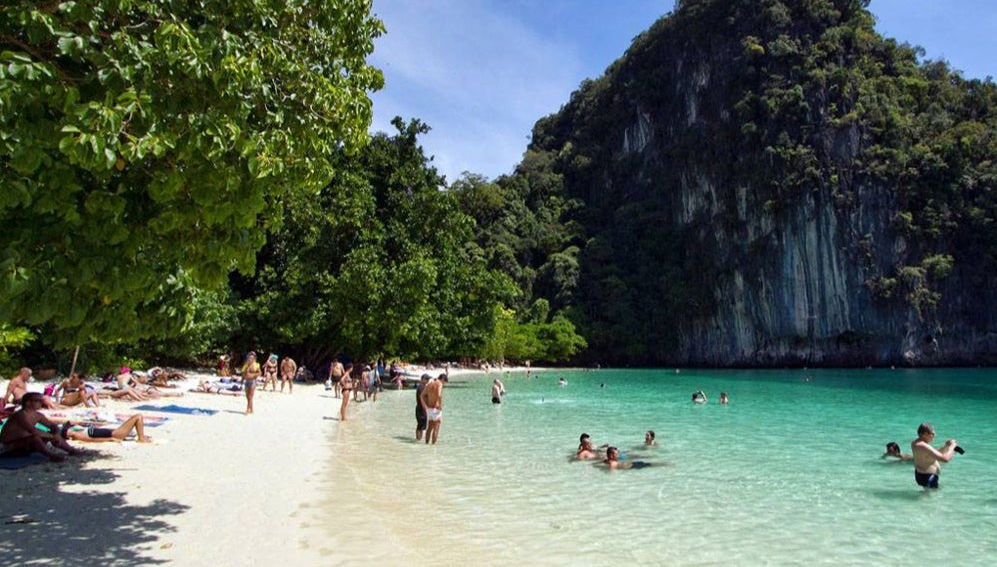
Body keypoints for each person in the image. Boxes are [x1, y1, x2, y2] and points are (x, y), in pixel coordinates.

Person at [0, 393, 83, 462]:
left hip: (23, 444)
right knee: (35, 438)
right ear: (28, 402)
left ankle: (71, 450)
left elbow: (53, 426)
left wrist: (56, 433)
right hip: (9, 446)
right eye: (37, 401)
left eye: (41, 400)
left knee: (50, 434)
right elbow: (32, 431)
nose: (41, 402)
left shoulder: (38, 415)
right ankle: (52, 456)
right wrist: (52, 436)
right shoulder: (20, 415)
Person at [911, 422, 959, 489]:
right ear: (925, 434)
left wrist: (946, 446)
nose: (934, 435)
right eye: (932, 434)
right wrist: (952, 447)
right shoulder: (922, 445)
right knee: (931, 497)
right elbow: (945, 459)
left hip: (923, 476)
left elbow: (932, 454)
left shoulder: (917, 443)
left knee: (928, 496)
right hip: (928, 478)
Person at [63, 414, 152, 443]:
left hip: (114, 432)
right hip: (115, 435)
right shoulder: (76, 434)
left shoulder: (78, 431)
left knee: (136, 418)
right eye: (69, 429)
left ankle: (141, 436)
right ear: (67, 434)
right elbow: (91, 440)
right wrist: (110, 439)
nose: (71, 428)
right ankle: (141, 438)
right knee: (138, 417)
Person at [420, 373, 445, 444]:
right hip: (436, 409)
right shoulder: (439, 383)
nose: (444, 384)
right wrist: (440, 405)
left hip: (429, 409)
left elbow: (421, 396)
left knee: (429, 429)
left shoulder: (429, 384)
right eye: (444, 382)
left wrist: (424, 406)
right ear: (442, 379)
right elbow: (439, 395)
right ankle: (433, 448)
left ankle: (426, 444)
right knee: (436, 429)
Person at [415, 374, 430, 440]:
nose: (428, 381)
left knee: (420, 425)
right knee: (420, 425)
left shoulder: (422, 386)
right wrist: (425, 408)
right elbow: (422, 398)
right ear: (423, 379)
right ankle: (418, 439)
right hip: (421, 408)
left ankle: (418, 439)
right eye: (427, 379)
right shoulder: (422, 387)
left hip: (420, 408)